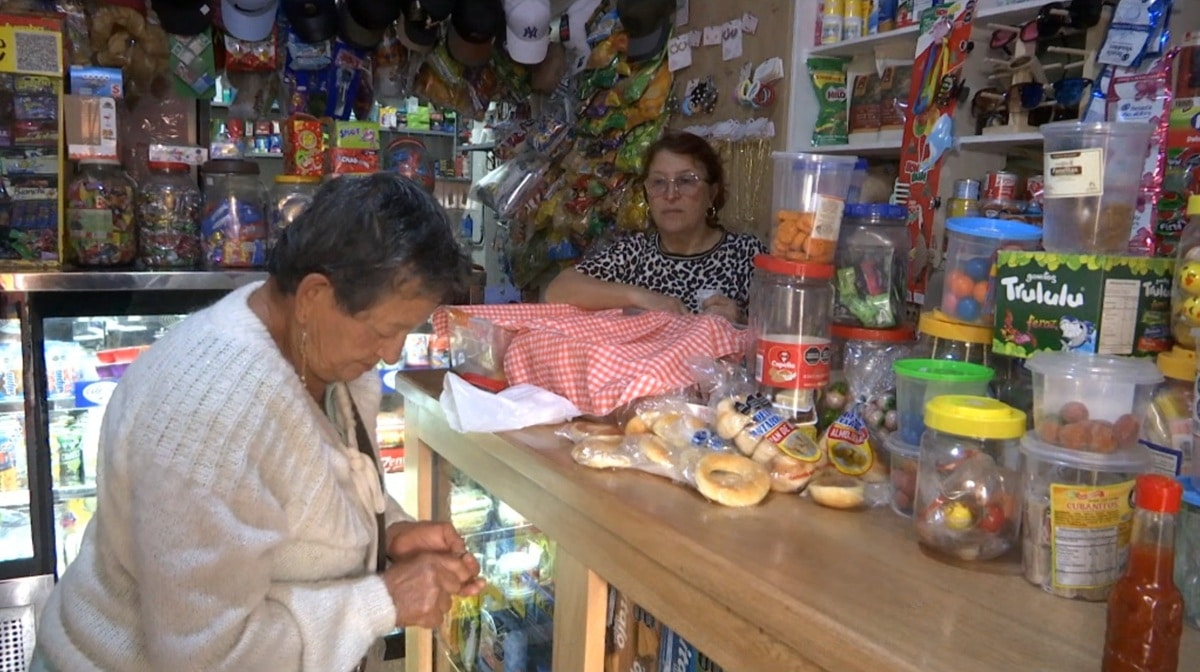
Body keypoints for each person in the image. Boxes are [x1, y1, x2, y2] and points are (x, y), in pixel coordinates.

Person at [31, 174, 482, 672]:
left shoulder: (314, 349)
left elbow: (312, 492)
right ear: (314, 297)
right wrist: (384, 600)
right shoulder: (212, 415)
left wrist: (390, 533)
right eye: (383, 330)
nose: (391, 353)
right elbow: (206, 659)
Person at [544, 130, 768, 323]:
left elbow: (781, 332)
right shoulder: (634, 252)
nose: (671, 195)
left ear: (712, 193)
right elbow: (557, 290)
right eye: (659, 182)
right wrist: (640, 297)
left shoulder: (746, 254)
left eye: (686, 181)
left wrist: (742, 322)